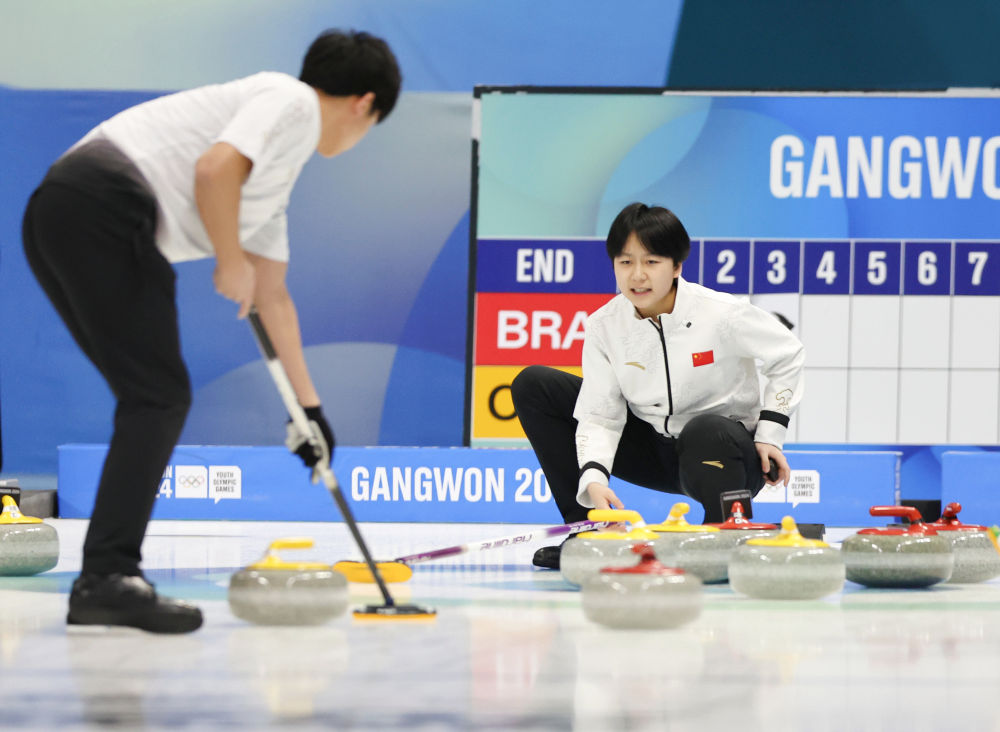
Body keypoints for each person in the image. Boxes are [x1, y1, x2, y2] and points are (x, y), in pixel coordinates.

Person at [21, 29, 401, 632]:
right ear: (364, 104)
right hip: (104, 203)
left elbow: (272, 297)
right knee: (158, 397)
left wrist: (309, 412)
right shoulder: (292, 101)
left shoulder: (273, 184)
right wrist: (229, 259)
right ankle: (108, 578)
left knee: (150, 395)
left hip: (62, 211)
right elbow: (214, 169)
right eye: (371, 125)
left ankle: (105, 578)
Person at [511, 202, 805, 569]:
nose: (637, 276)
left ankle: (724, 534)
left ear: (676, 266)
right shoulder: (604, 326)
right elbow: (600, 415)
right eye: (625, 262)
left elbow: (788, 354)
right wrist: (594, 480)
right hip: (654, 450)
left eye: (651, 262)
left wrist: (770, 435)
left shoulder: (721, 313)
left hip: (725, 453)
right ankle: (590, 531)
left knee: (706, 430)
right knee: (534, 385)